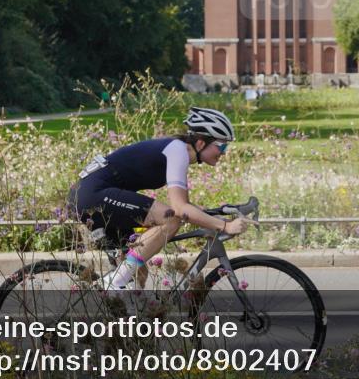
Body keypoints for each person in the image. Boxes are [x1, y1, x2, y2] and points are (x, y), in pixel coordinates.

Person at [67, 107, 251, 289]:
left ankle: (121, 312)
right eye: (222, 146)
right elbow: (179, 210)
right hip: (93, 194)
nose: (224, 152)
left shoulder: (176, 150)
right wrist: (226, 226)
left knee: (137, 274)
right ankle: (113, 283)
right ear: (201, 143)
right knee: (170, 220)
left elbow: (185, 206)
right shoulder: (178, 150)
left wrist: (213, 219)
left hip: (91, 194)